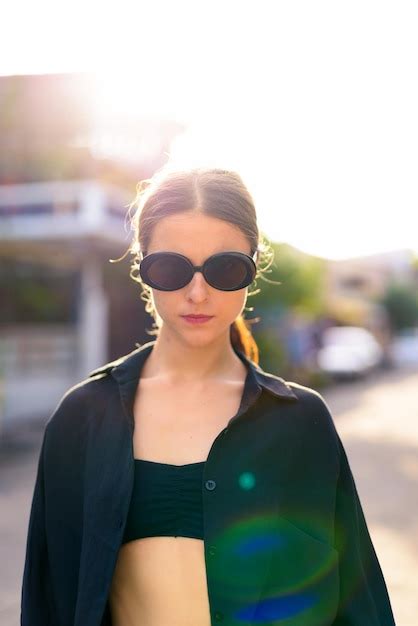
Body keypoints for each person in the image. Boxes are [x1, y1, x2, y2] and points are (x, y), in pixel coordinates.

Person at [20, 167, 396, 626]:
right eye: (171, 268)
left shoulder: (300, 422)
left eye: (225, 269)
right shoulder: (80, 419)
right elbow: (46, 600)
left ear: (252, 271)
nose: (198, 293)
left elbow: (357, 601)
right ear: (142, 270)